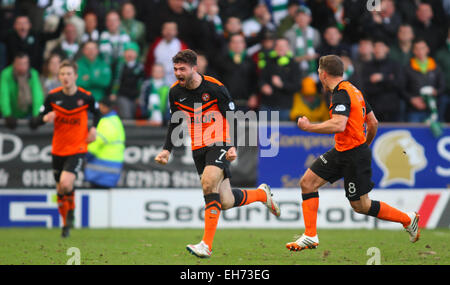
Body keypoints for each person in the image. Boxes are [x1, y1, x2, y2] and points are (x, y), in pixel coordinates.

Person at [285, 55, 420, 251]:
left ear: (323, 74)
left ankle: (407, 219)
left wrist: (308, 127)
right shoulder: (355, 90)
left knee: (361, 206)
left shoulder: (341, 93)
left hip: (354, 155)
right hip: (342, 151)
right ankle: (310, 235)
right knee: (307, 183)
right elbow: (373, 122)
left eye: (318, 74)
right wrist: (366, 144)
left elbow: (339, 124)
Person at [154, 49, 280, 258]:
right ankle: (261, 194)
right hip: (197, 147)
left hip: (218, 141)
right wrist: (167, 150)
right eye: (175, 69)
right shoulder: (175, 92)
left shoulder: (215, 87)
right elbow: (175, 122)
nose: (178, 73)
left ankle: (206, 245)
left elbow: (232, 118)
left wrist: (232, 146)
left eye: (182, 69)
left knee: (208, 182)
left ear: (194, 68)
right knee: (226, 201)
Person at [37, 60, 101, 238]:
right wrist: (44, 118)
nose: (65, 77)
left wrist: (94, 128)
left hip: (78, 147)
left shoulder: (86, 96)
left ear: (76, 76)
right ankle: (66, 223)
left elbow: (97, 113)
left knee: (65, 183)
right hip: (58, 149)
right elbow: (35, 120)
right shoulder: (52, 97)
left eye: (69, 74)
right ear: (58, 76)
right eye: (62, 74)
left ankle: (70, 212)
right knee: (61, 189)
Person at [84, 96, 125, 188]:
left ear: (105, 107)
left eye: (99, 107)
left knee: (98, 197)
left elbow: (96, 143)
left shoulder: (106, 122)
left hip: (101, 169)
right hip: (112, 167)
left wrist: (84, 154)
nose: (97, 110)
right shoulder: (115, 120)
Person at [258, 37, 301, 121]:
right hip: (267, 104)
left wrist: (282, 85)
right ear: (275, 48)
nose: (280, 48)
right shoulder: (268, 61)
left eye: (283, 45)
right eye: (278, 45)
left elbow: (297, 86)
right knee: (263, 133)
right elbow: (260, 79)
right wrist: (263, 86)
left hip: (284, 107)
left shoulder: (294, 64)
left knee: (282, 132)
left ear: (288, 48)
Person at [0, 53, 44, 130]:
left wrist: (36, 115)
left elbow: (38, 96)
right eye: (19, 64)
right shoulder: (6, 74)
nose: (22, 67)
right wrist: (7, 114)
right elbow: (3, 95)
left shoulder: (33, 74)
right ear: (14, 64)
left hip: (29, 114)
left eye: (25, 63)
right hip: (11, 113)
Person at [111, 41, 145, 119]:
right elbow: (116, 80)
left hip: (134, 97)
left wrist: (139, 96)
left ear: (136, 54)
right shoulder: (120, 66)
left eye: (132, 52)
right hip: (122, 95)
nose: (130, 54)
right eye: (127, 51)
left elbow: (141, 83)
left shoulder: (140, 67)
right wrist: (113, 93)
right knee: (126, 115)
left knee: (133, 114)